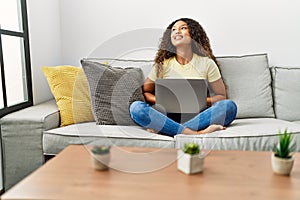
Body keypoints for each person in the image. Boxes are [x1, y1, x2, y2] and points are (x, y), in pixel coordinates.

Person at [129, 18, 237, 136]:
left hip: (199, 117)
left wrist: (198, 101)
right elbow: (146, 91)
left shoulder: (207, 63)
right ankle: (196, 133)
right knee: (136, 108)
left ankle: (168, 130)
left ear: (193, 34)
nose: (177, 31)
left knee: (229, 106)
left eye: (183, 28)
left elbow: (222, 96)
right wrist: (162, 100)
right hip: (167, 116)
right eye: (173, 30)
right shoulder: (162, 65)